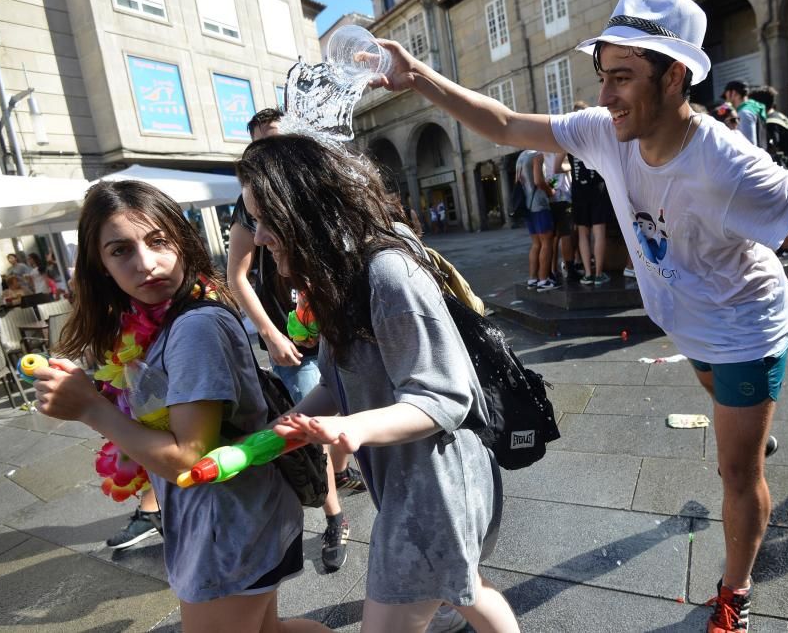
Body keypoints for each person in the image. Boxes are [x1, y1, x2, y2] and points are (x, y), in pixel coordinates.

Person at [369, 0, 788, 633]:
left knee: (736, 472)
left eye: (623, 78)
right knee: (726, 413)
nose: (604, 96)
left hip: (744, 325)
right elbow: (505, 125)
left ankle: (735, 592)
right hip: (685, 320)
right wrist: (420, 77)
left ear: (675, 75)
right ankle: (746, 425)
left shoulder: (730, 166)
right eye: (603, 76)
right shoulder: (609, 135)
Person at [236, 134, 519, 633]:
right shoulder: (336, 276)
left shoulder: (387, 273)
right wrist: (293, 422)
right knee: (468, 586)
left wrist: (354, 430)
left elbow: (445, 396)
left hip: (435, 489)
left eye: (263, 219)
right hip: (409, 482)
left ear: (302, 207)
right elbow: (335, 382)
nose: (256, 237)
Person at [31, 180, 331, 633]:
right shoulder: (164, 318)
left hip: (229, 534)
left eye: (157, 241)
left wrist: (89, 407)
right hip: (241, 521)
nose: (146, 263)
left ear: (182, 239)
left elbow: (190, 460)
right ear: (100, 267)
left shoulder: (194, 329)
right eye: (120, 251)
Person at [226, 106, 365, 573]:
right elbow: (237, 276)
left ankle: (340, 476)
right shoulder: (249, 209)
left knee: (341, 417)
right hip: (290, 337)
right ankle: (334, 517)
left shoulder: (320, 201)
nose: (263, 234)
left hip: (329, 328)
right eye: (261, 145)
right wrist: (270, 334)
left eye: (280, 142)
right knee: (315, 430)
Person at [570, 102, 614, 285]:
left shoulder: (569, 138)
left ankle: (588, 273)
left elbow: (557, 166)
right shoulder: (595, 136)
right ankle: (599, 274)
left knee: (583, 234)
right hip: (597, 188)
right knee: (599, 232)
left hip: (579, 191)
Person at [517, 149, 556, 290]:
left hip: (527, 205)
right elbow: (539, 181)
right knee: (546, 243)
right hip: (539, 204)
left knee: (536, 244)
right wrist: (550, 191)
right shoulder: (537, 155)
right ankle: (544, 279)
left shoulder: (521, 156)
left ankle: (533, 278)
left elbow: (518, 181)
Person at [535, 150, 575, 282]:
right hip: (562, 195)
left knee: (554, 237)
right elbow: (557, 169)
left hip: (551, 198)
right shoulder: (559, 147)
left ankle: (552, 270)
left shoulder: (542, 149)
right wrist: (572, 165)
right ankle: (570, 269)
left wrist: (550, 190)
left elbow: (550, 174)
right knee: (566, 234)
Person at [722, 80, 766, 148]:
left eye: (726, 96)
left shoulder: (744, 113)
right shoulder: (754, 108)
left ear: (734, 93)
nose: (726, 100)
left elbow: (749, 145)